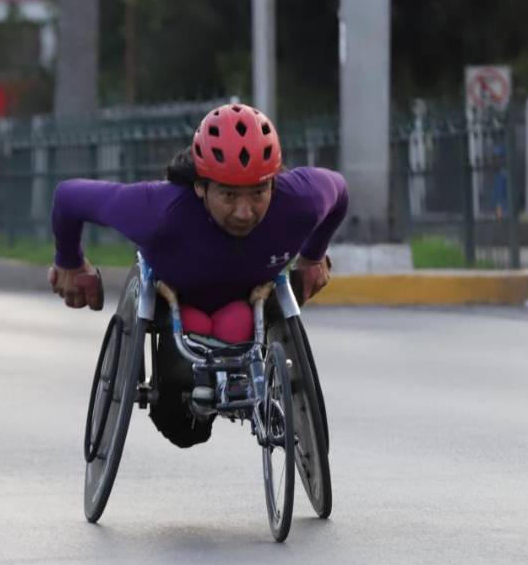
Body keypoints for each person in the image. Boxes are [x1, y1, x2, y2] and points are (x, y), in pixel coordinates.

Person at [48, 103, 348, 447]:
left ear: (274, 183)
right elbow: (68, 197)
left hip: (249, 304)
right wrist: (70, 263)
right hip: (176, 303)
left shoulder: (301, 199)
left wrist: (312, 256)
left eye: (259, 192)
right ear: (200, 186)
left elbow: (339, 192)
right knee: (185, 431)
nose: (244, 211)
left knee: (237, 323)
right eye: (229, 194)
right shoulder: (158, 211)